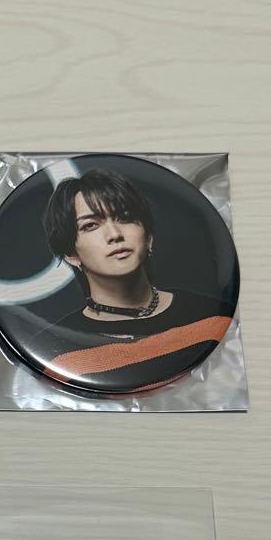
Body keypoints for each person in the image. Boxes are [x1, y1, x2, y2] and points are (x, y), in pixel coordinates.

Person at [37, 168, 235, 393]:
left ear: (148, 238)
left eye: (125, 218)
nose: (114, 234)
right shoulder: (55, 350)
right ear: (71, 255)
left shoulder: (210, 314)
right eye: (90, 225)